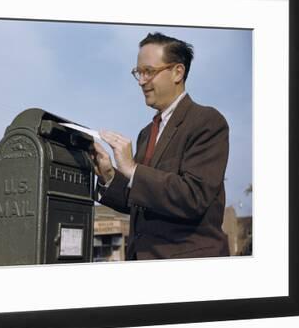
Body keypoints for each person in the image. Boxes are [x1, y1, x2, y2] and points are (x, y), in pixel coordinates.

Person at [91, 32, 230, 260]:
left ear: (177, 72)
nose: (142, 81)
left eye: (149, 72)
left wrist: (132, 169)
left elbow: (194, 197)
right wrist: (108, 175)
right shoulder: (146, 134)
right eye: (138, 72)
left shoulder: (208, 121)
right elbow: (141, 201)